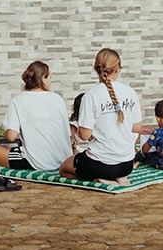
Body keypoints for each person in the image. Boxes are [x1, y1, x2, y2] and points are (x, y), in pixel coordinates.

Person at [0, 61, 73, 177]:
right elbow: (67, 134)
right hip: (63, 161)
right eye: (50, 78)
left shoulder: (17, 101)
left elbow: (11, 137)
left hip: (36, 163)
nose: (50, 82)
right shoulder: (58, 99)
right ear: (43, 79)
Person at [59, 48, 143, 185]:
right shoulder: (130, 92)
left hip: (100, 164)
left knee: (63, 168)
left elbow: (84, 135)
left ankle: (97, 179)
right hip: (126, 164)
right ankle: (118, 176)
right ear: (117, 69)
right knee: (110, 165)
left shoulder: (91, 96)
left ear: (96, 68)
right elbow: (137, 128)